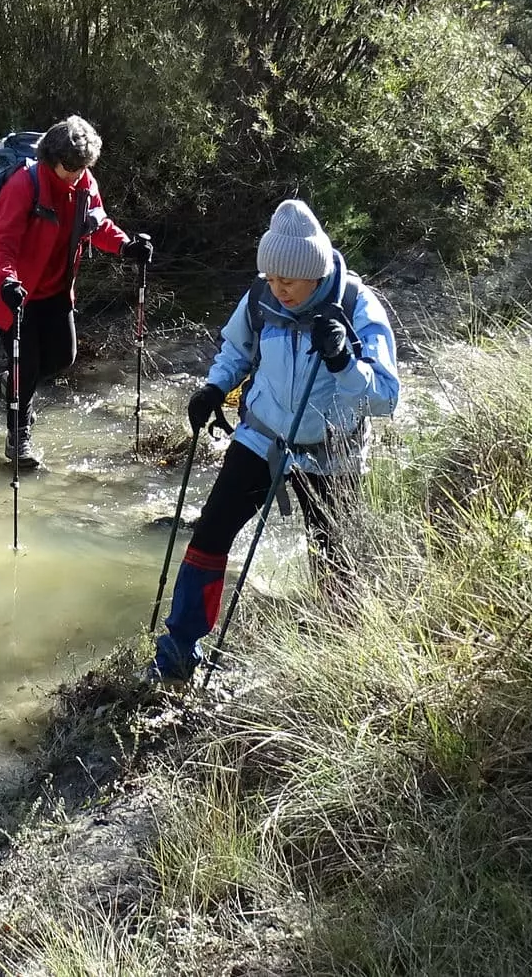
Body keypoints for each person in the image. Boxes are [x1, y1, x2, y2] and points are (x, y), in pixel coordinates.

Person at [149, 200, 401, 683]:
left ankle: (342, 662)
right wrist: (215, 387)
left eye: (290, 279)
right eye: (272, 276)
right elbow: (236, 350)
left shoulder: (355, 308)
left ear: (315, 270)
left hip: (332, 456)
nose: (279, 287)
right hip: (260, 439)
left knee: (335, 559)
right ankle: (179, 650)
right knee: (210, 535)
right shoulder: (262, 297)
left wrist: (345, 362)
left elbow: (386, 398)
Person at [0, 117, 150, 471]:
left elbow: (98, 224)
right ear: (52, 158)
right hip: (14, 291)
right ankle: (18, 440)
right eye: (71, 167)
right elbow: (0, 243)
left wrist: (126, 247)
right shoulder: (24, 185)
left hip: (56, 288)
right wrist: (6, 282)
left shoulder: (83, 182)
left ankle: (11, 383)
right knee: (27, 362)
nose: (78, 174)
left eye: (84, 167)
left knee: (64, 357)